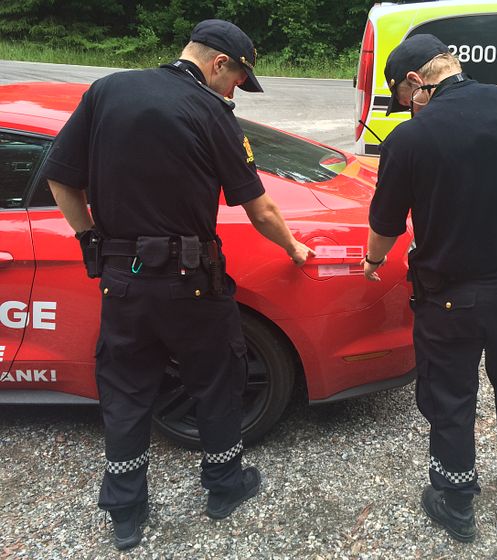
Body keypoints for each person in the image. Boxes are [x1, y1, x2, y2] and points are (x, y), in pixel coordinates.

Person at [42, 19, 313, 551]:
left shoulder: (107, 91)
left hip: (122, 280)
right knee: (216, 377)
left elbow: (60, 176)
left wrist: (90, 238)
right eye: (238, 79)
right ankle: (223, 486)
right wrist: (293, 247)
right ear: (218, 64)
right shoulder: (213, 113)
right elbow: (258, 207)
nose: (236, 90)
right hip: (193, 283)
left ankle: (126, 511)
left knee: (126, 389)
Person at [362, 34, 497, 542]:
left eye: (401, 98)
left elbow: (387, 224)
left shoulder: (408, 140)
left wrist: (373, 262)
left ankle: (456, 501)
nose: (405, 108)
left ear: (417, 82)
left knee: (450, 396)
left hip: (447, 298)